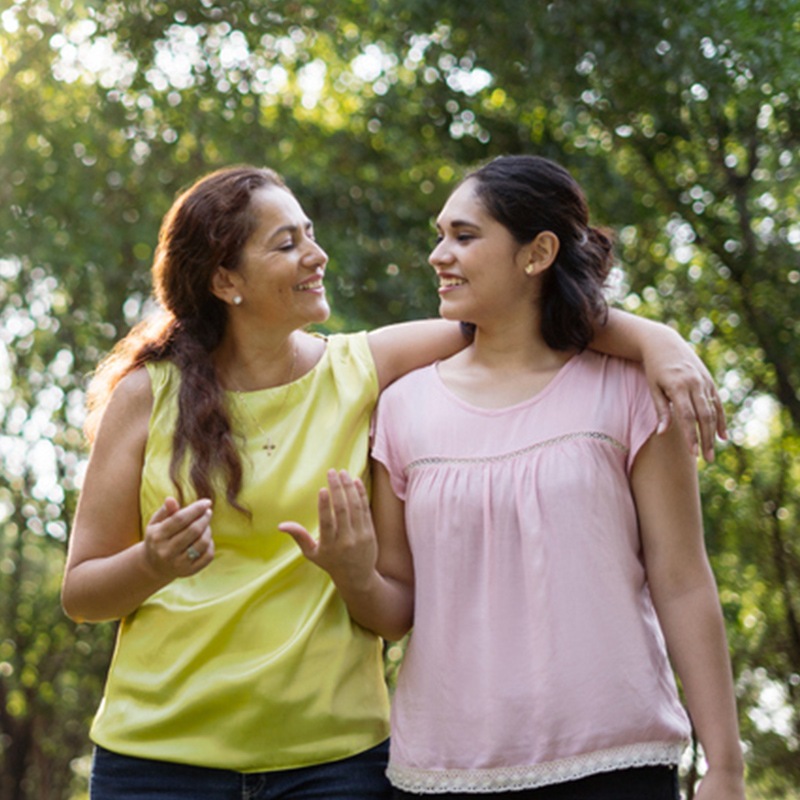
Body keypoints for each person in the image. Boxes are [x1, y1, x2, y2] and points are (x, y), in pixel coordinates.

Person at [62, 163, 726, 800]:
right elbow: (82, 593)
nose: (316, 255)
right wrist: (152, 562)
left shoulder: (364, 370)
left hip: (332, 763)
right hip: (157, 760)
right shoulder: (149, 396)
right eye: (286, 243)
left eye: (311, 233)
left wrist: (655, 340)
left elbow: (516, 316)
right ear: (226, 281)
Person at [282, 156, 745, 800]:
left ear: (538, 253)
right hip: (441, 774)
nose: (439, 255)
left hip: (616, 766)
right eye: (440, 235)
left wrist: (725, 766)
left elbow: (683, 580)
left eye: (465, 237)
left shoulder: (634, 388)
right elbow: (397, 613)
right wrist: (352, 572)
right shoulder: (403, 406)